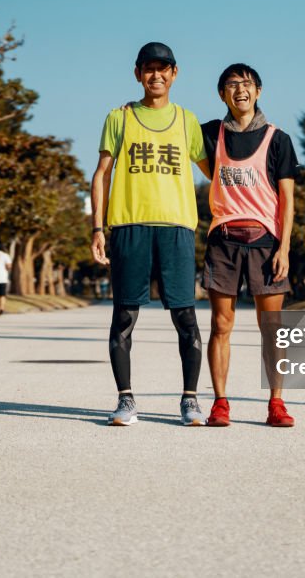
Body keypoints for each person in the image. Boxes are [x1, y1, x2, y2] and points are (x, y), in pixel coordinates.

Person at [91, 42, 210, 426]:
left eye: (163, 68)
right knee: (124, 315)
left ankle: (190, 400)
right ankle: (126, 400)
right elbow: (102, 174)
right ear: (138, 73)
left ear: (175, 74)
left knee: (186, 317)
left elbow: (215, 171)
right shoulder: (119, 118)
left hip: (176, 228)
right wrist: (97, 226)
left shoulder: (187, 120)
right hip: (129, 225)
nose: (155, 75)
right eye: (148, 68)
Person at [201, 63, 300, 427]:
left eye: (246, 84)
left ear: (258, 92)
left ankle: (276, 403)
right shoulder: (210, 135)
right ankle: (220, 403)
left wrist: (284, 248)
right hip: (223, 243)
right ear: (221, 94)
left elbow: (288, 200)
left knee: (271, 326)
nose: (239, 90)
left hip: (266, 244)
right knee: (221, 325)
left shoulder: (279, 140)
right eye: (231, 84)